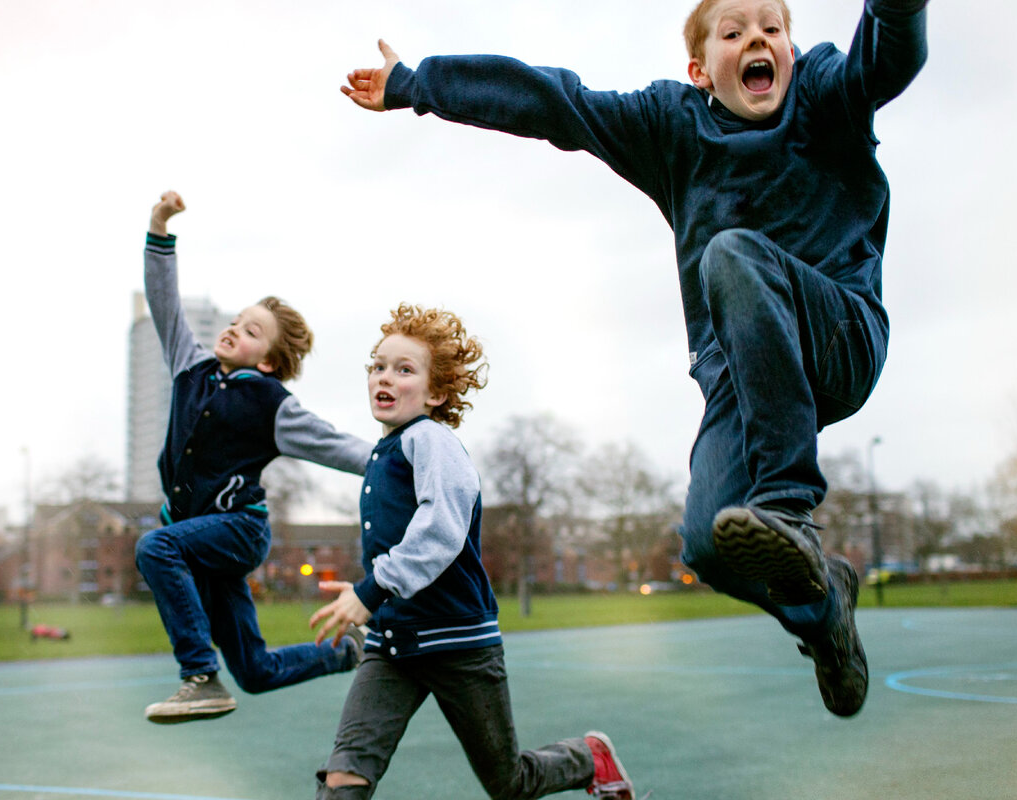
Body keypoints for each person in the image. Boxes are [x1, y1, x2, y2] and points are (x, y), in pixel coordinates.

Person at [340, 0, 929, 718]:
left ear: (791, 50)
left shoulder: (824, 92)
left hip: (840, 337)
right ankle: (823, 614)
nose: (757, 41)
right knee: (710, 544)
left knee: (731, 255)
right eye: (735, 33)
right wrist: (417, 84)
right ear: (700, 70)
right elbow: (557, 102)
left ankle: (787, 503)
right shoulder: (671, 126)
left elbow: (889, 57)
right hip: (743, 380)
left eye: (772, 29)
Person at [309, 304, 637, 800]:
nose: (385, 376)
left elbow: (440, 530)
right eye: (378, 365)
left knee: (508, 782)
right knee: (345, 775)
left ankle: (588, 758)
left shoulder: (433, 441)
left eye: (404, 369)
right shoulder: (382, 454)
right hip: (393, 645)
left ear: (436, 392)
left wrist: (372, 589)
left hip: (460, 643)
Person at [136, 190, 374, 724]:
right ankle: (350, 651)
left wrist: (402, 457)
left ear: (268, 361)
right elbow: (164, 303)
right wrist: (159, 229)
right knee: (255, 670)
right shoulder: (188, 366)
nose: (233, 329)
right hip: (198, 536)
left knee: (155, 548)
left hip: (238, 530)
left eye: (250, 331)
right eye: (236, 320)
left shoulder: (271, 404)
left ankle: (198, 676)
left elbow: (334, 444)